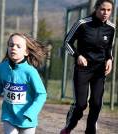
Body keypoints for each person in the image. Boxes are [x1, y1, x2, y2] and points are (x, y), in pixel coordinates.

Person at [60, 0, 115, 134]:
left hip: (99, 70)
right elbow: (67, 42)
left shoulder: (111, 28)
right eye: (102, 9)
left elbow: (108, 48)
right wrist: (77, 55)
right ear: (96, 8)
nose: (105, 13)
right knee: (81, 104)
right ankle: (69, 126)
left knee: (96, 103)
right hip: (82, 69)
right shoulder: (82, 24)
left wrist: (109, 59)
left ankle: (90, 130)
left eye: (109, 10)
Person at [0, 32, 48, 134]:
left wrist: (32, 112)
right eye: (11, 45)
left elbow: (42, 94)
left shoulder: (30, 71)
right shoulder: (2, 67)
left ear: (26, 52)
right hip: (9, 116)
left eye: (18, 46)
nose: (13, 48)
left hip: (27, 118)